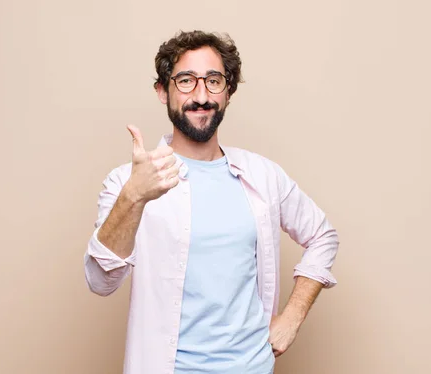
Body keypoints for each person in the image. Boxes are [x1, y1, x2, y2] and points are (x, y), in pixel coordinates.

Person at [84, 30, 339, 374]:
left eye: (214, 81)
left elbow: (323, 236)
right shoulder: (127, 182)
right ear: (163, 91)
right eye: (186, 81)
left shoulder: (263, 175)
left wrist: (292, 317)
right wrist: (134, 196)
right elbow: (101, 282)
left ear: (229, 93)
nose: (201, 96)